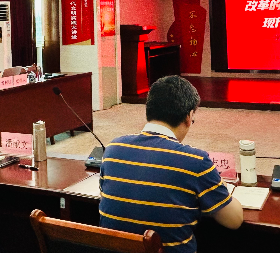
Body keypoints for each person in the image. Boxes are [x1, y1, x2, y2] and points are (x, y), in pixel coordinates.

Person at [99, 75, 243, 252]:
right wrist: (221, 186)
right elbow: (235, 220)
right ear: (189, 117)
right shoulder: (195, 162)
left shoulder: (113, 149)